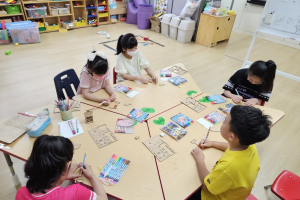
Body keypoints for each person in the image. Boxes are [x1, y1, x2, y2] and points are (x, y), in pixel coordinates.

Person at [190, 105, 272, 200]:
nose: (222, 122)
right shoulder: (250, 145)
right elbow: (230, 147)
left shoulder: (228, 167)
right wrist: (213, 143)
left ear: (231, 137)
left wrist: (199, 159)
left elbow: (207, 186)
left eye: (224, 121)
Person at [15, 135, 108, 200]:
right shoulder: (76, 192)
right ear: (66, 167)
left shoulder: (20, 193)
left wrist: (62, 176)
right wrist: (91, 176)